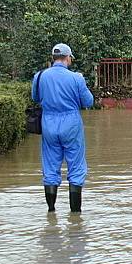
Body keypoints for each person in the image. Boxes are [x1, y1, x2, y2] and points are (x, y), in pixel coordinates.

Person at [32, 43, 94, 213]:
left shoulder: (39, 76)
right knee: (76, 167)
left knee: (50, 166)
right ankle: (75, 215)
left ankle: (51, 211)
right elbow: (88, 102)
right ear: (68, 58)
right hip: (71, 124)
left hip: (48, 124)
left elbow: (35, 97)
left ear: (53, 58)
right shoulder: (76, 78)